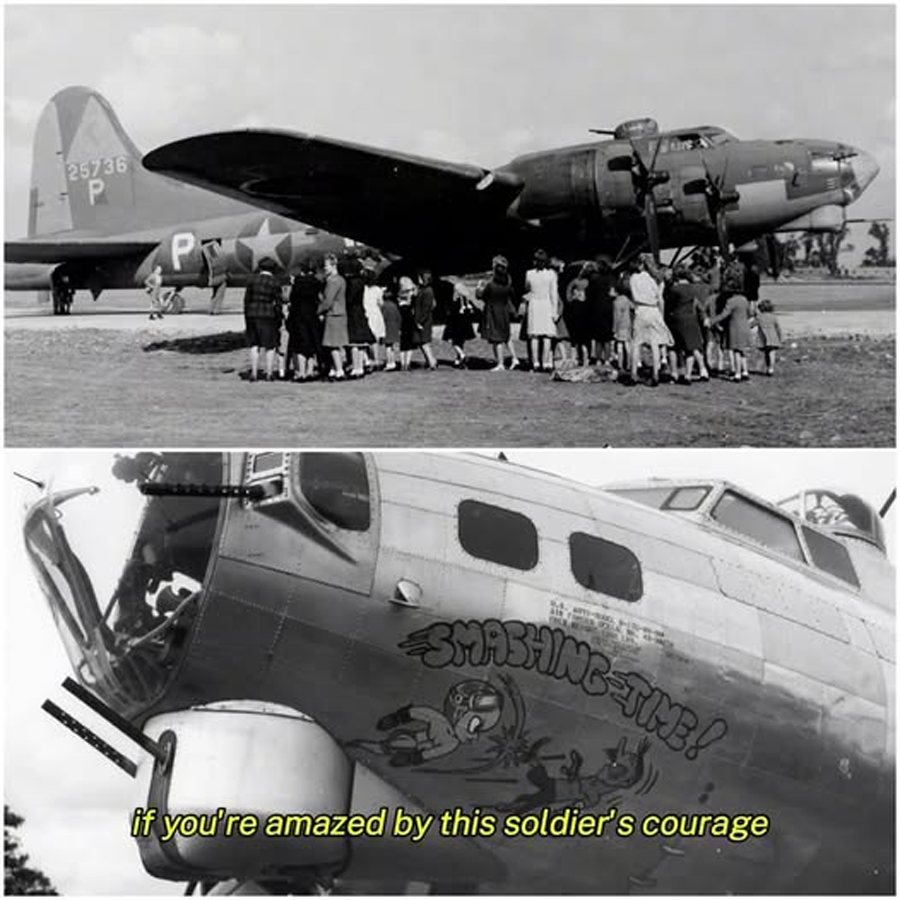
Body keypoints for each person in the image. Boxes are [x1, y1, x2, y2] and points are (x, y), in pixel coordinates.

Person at [626, 255, 672, 387]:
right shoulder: (656, 279)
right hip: (654, 310)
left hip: (640, 310)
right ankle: (655, 374)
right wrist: (662, 316)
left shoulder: (634, 278)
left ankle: (633, 374)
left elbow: (633, 296)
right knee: (655, 343)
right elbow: (660, 299)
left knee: (637, 343)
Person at [664, 267, 710, 383]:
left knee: (673, 347)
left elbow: (669, 305)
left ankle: (674, 373)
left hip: (675, 319)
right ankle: (688, 376)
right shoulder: (693, 289)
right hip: (690, 319)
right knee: (690, 348)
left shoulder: (674, 289)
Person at [707, 268, 752, 381]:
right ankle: (745, 371)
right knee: (742, 351)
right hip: (745, 327)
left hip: (735, 328)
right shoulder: (745, 300)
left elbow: (723, 315)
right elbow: (750, 313)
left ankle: (737, 373)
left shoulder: (731, 301)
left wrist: (711, 321)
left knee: (736, 351)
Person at [243, 259, 283, 382]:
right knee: (269, 345)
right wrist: (279, 317)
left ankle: (254, 373)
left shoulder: (252, 280)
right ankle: (269, 373)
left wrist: (247, 314)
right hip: (268, 314)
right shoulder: (275, 282)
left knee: (254, 344)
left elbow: (246, 300)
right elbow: (278, 302)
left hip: (252, 314)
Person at [478, 255, 519, 371]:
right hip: (504, 311)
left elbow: (482, 296)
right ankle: (514, 357)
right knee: (506, 335)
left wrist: (479, 287)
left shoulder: (491, 285)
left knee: (497, 338)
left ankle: (500, 363)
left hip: (493, 311)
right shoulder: (507, 283)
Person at [523, 249, 559, 371]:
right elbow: (554, 294)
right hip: (546, 304)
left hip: (534, 304)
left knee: (534, 336)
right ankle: (545, 362)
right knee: (547, 336)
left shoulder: (529, 274)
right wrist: (555, 311)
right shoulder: (551, 274)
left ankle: (536, 362)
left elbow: (527, 289)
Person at [286, 261, 322, 381]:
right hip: (312, 315)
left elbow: (292, 298)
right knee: (311, 344)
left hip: (299, 316)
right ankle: (310, 371)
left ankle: (301, 372)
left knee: (300, 345)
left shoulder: (298, 282)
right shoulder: (317, 282)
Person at [318, 254, 349, 380]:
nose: (324, 268)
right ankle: (336, 368)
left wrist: (319, 311)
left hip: (333, 314)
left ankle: (339, 370)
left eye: (326, 265)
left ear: (333, 265)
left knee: (332, 345)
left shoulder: (332, 281)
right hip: (341, 313)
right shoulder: (341, 279)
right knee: (338, 344)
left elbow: (328, 301)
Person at [344, 257, 375, 378]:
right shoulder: (361, 281)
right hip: (359, 311)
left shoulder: (352, 282)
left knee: (354, 342)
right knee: (361, 342)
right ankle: (361, 365)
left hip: (353, 313)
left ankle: (357, 368)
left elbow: (349, 299)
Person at [587, 256, 616, 363]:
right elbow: (613, 294)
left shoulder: (594, 279)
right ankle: (607, 359)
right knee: (607, 338)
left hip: (596, 309)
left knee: (598, 338)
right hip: (608, 308)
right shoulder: (612, 279)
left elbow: (589, 295)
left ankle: (598, 359)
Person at [444, 282, 478, 367]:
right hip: (466, 326)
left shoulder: (455, 302)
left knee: (453, 342)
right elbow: (475, 312)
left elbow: (451, 313)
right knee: (460, 342)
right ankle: (458, 359)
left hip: (455, 325)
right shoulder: (468, 302)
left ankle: (462, 355)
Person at [361, 259, 386, 368]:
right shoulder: (377, 289)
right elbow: (381, 303)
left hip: (366, 313)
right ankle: (376, 358)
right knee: (375, 338)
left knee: (366, 338)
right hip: (375, 313)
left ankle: (368, 359)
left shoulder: (362, 289)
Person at [565, 263, 592, 366]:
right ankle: (586, 358)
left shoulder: (574, 282)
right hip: (587, 311)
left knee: (575, 337)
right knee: (585, 338)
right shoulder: (590, 282)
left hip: (576, 309)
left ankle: (575, 358)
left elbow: (568, 294)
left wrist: (572, 298)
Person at [412, 269, 439, 370]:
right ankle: (430, 361)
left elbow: (427, 308)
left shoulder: (428, 291)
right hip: (421, 319)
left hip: (423, 320)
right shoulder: (424, 289)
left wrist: (420, 321)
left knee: (424, 342)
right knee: (422, 342)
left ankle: (432, 361)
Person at [754, 299, 783, 376]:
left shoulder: (760, 317)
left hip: (763, 339)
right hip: (773, 338)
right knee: (772, 353)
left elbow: (751, 325)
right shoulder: (773, 317)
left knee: (767, 354)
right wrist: (780, 338)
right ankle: (771, 368)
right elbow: (778, 328)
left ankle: (768, 367)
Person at [612, 271, 632, 371]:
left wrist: (615, 329)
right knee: (628, 346)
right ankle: (629, 364)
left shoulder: (617, 302)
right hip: (628, 325)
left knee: (619, 346)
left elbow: (617, 316)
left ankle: (620, 365)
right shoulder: (627, 299)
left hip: (620, 327)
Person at [380, 278, 402, 371]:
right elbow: (399, 318)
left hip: (387, 328)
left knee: (388, 348)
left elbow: (382, 318)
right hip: (394, 328)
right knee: (393, 347)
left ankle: (390, 363)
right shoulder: (394, 306)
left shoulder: (383, 306)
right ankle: (393, 361)